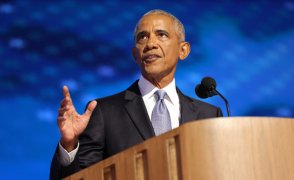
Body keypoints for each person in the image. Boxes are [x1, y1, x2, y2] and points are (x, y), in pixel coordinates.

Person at [50, 9, 222, 179]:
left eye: (161, 34)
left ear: (183, 50)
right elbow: (83, 176)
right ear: (135, 54)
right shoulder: (104, 112)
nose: (150, 44)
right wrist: (70, 145)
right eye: (143, 37)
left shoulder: (208, 115)